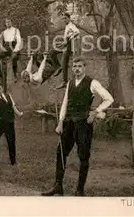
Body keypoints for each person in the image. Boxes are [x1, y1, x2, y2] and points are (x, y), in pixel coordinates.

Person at [41, 57, 114, 196]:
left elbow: (109, 98)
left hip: (83, 124)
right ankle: (58, 186)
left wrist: (95, 112)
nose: (77, 69)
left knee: (83, 156)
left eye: (79, 66)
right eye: (74, 66)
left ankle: (80, 190)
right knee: (60, 152)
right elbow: (65, 103)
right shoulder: (70, 83)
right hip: (68, 123)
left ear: (84, 67)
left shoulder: (92, 83)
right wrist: (61, 122)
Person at [0, 18, 23, 83]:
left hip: (14, 47)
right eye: (6, 22)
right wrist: (0, 45)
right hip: (6, 48)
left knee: (14, 58)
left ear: (11, 22)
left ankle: (15, 75)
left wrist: (16, 49)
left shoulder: (16, 30)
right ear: (5, 24)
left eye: (9, 22)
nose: (8, 23)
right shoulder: (4, 32)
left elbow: (19, 41)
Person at [56, 13, 81, 89]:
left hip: (72, 44)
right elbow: (67, 38)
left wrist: (71, 37)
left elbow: (77, 32)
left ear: (69, 18)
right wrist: (63, 43)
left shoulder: (71, 25)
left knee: (72, 62)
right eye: (63, 18)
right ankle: (64, 80)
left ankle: (68, 81)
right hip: (68, 44)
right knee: (64, 61)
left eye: (65, 18)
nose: (64, 20)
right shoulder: (67, 26)